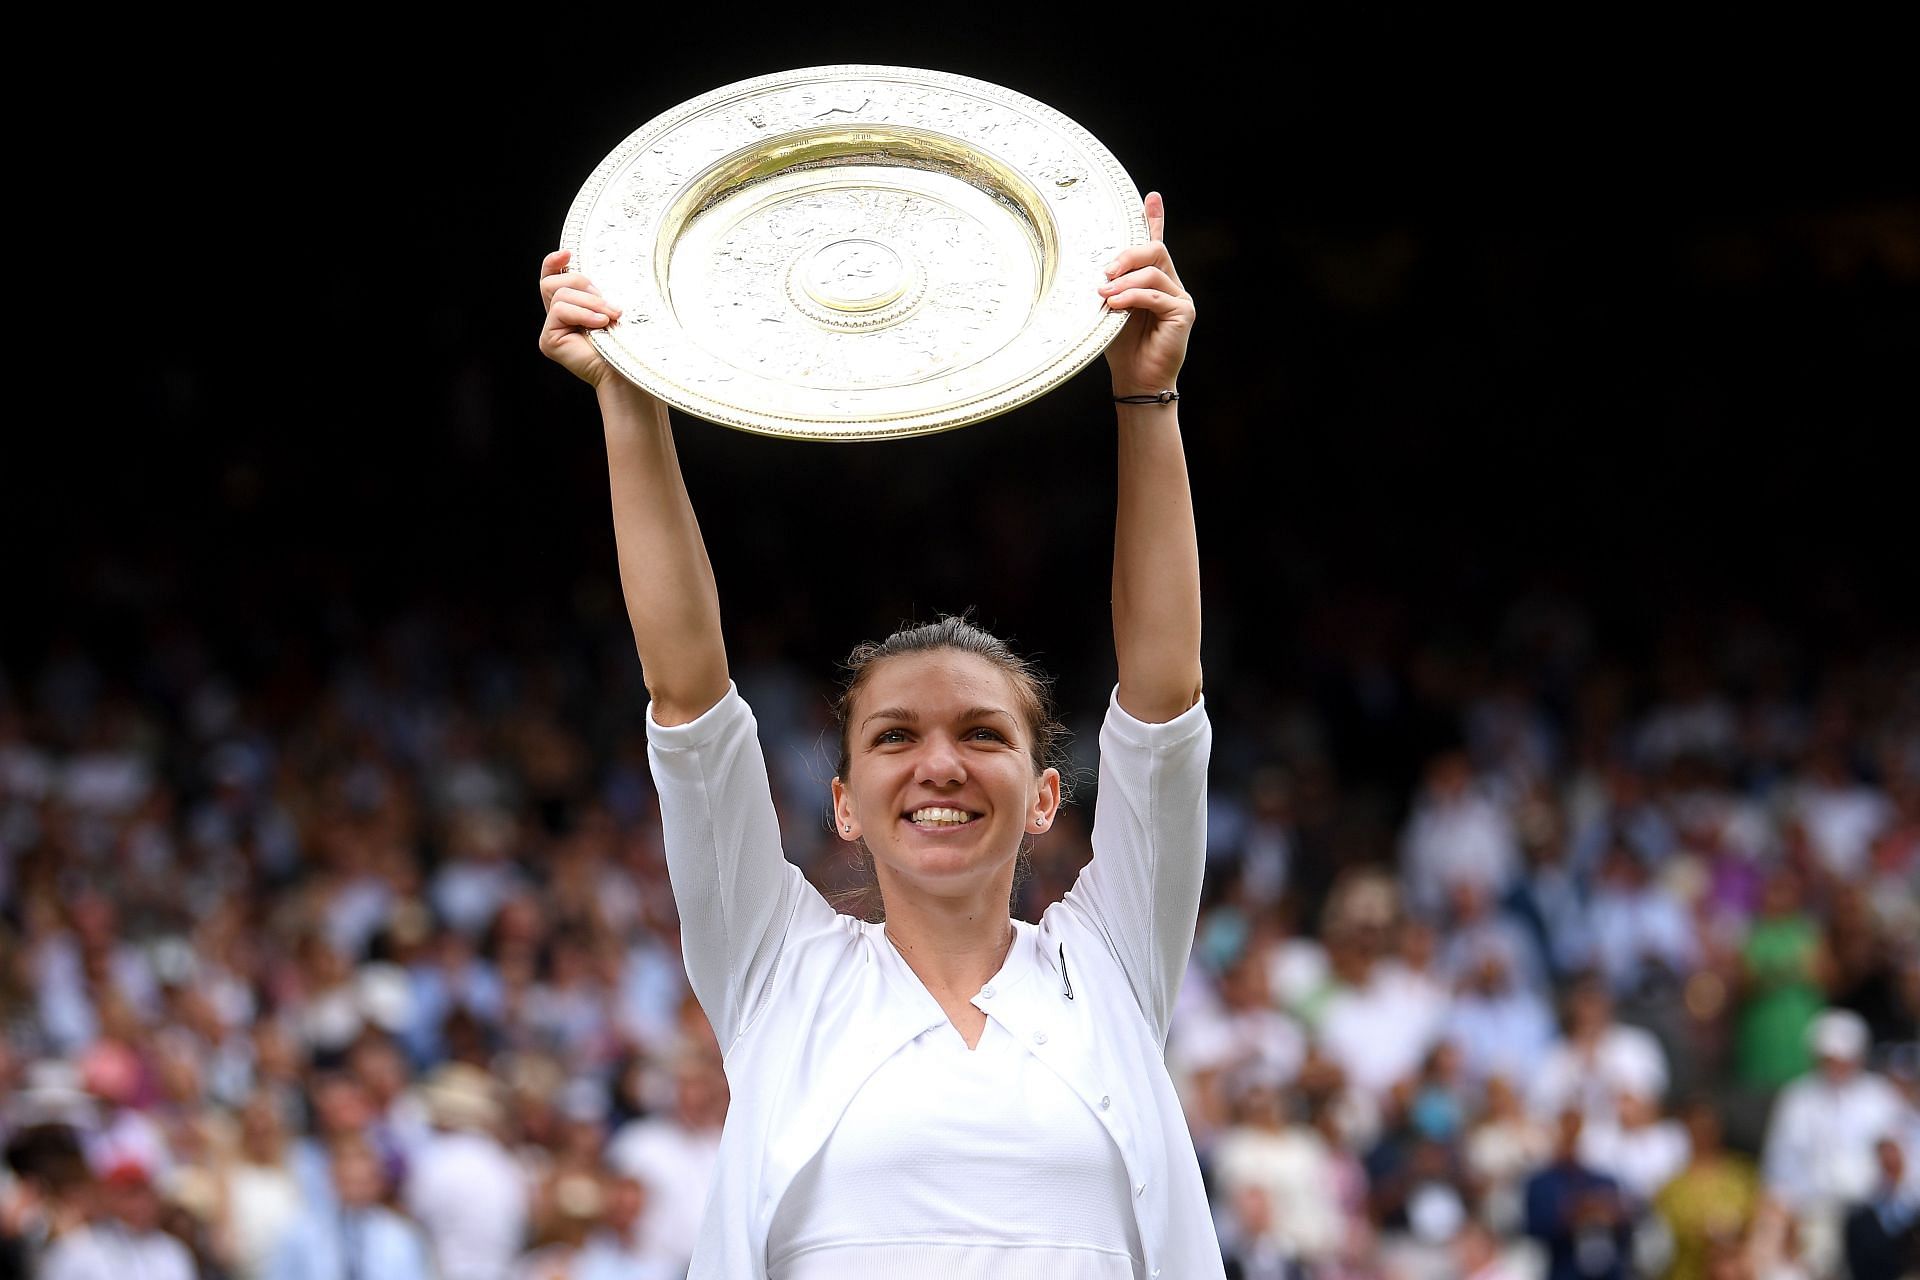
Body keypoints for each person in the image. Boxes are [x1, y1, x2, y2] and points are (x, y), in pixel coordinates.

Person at [537, 188, 1210, 1280]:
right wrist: (631, 399)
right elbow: (689, 695)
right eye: (894, 736)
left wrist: (1148, 396)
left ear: (1046, 794)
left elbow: (1165, 697)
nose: (939, 763)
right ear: (843, 799)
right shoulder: (780, 968)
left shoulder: (1112, 963)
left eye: (983, 734)